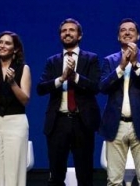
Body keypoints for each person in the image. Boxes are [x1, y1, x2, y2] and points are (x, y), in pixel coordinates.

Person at [37, 18, 101, 186]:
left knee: (85, 173)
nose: (67, 33)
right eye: (64, 31)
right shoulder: (53, 61)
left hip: (83, 122)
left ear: (79, 36)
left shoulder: (91, 59)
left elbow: (96, 86)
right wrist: (62, 78)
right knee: (56, 174)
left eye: (71, 30)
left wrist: (75, 77)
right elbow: (41, 88)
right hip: (58, 122)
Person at [99, 18, 140, 186]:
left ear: (138, 36)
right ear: (119, 37)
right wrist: (121, 67)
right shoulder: (110, 61)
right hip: (115, 126)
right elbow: (103, 87)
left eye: (131, 30)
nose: (127, 32)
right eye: (123, 30)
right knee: (114, 181)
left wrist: (135, 64)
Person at [0, 31, 32, 186]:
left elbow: (25, 100)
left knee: (14, 168)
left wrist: (12, 83)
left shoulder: (23, 69)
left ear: (15, 49)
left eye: (7, 43)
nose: (2, 46)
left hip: (16, 121)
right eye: (0, 42)